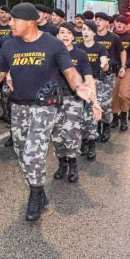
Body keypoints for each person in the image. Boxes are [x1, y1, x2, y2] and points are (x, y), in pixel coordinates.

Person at [0, 3, 99, 222]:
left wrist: (79, 87)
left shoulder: (53, 44)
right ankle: (39, 190)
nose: (10, 23)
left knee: (32, 154)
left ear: (29, 22)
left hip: (45, 106)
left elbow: (70, 72)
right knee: (21, 154)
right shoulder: (9, 46)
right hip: (19, 107)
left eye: (15, 20)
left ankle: (35, 194)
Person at [51, 25, 95, 183]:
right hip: (53, 100)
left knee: (71, 134)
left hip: (73, 99)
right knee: (56, 136)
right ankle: (62, 164)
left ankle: (73, 165)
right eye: (62, 32)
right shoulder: (50, 53)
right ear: (57, 35)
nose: (65, 35)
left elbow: (88, 78)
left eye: (69, 33)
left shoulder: (80, 54)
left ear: (73, 36)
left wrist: (94, 100)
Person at [76, 20, 109, 160]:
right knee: (79, 116)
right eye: (83, 29)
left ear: (94, 33)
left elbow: (104, 62)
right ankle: (83, 141)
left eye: (89, 30)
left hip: (93, 83)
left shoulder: (100, 47)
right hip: (79, 85)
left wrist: (104, 65)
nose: (85, 32)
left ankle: (91, 144)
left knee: (91, 115)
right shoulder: (77, 48)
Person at [94, 13, 124, 141]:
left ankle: (105, 127)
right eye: (96, 20)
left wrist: (123, 66)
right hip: (93, 75)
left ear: (107, 23)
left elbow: (122, 51)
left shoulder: (114, 37)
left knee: (105, 103)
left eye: (101, 20)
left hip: (108, 75)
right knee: (94, 103)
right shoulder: (92, 36)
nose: (98, 22)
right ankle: (96, 127)